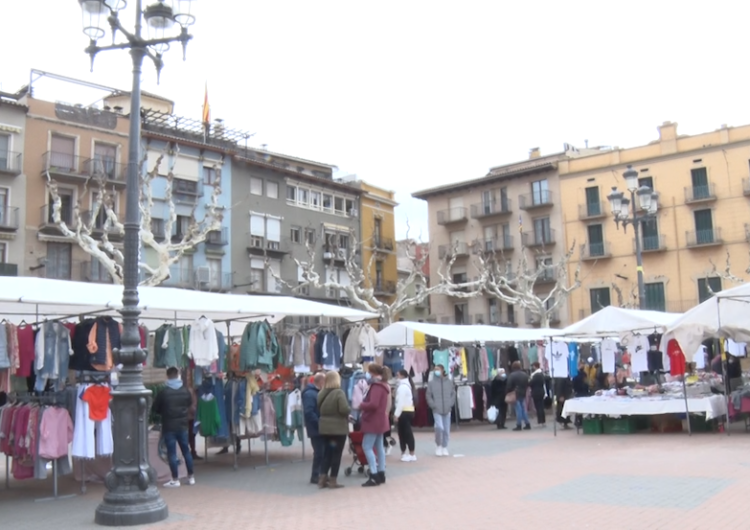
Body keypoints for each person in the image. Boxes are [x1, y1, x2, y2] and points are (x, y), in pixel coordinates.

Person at [152, 367, 195, 487]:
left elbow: (155, 409)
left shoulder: (163, 392)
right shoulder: (185, 391)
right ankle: (191, 477)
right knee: (186, 451)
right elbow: (189, 404)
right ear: (178, 375)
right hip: (183, 425)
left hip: (169, 426)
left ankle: (175, 479)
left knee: (172, 453)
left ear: (167, 376)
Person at [317, 371, 350, 489]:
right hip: (338, 429)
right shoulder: (339, 393)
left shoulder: (321, 393)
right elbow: (344, 409)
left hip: (324, 427)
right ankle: (333, 480)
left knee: (327, 453)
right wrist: (349, 410)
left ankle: (322, 479)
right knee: (336, 454)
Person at [359, 364, 390, 487]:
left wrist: (361, 405)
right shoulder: (383, 386)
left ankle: (374, 474)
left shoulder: (376, 387)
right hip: (380, 420)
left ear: (373, 373)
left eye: (369, 372)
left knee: (367, 447)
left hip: (373, 420)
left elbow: (373, 404)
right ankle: (381, 472)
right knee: (379, 447)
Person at [426, 364, 455, 456]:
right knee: (439, 427)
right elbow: (428, 395)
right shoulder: (431, 383)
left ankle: (444, 446)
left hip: (447, 409)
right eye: (435, 369)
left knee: (446, 429)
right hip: (436, 409)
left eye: (438, 369)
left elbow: (453, 394)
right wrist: (433, 405)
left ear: (443, 370)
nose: (436, 371)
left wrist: (450, 404)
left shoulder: (449, 382)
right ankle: (438, 445)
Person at [302, 372, 325, 485]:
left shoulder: (314, 393)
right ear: (321, 382)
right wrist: (319, 422)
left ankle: (319, 474)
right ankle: (315, 475)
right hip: (315, 428)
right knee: (319, 452)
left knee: (321, 452)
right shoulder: (310, 394)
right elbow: (309, 412)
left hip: (317, 427)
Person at [393, 369, 416, 462]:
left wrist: (396, 414)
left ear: (402, 376)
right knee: (403, 433)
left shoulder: (402, 387)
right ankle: (406, 452)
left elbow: (400, 402)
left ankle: (411, 453)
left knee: (405, 433)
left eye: (397, 375)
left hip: (404, 411)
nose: (396, 377)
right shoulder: (405, 385)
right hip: (407, 411)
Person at [506, 361, 531, 431]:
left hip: (515, 393)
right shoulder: (525, 374)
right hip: (523, 392)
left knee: (518, 409)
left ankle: (519, 424)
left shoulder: (512, 375)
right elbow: (528, 383)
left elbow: (509, 385)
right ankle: (527, 423)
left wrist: (508, 392)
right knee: (523, 408)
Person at [381, 366, 396, 455]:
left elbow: (389, 401)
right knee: (386, 431)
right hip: (387, 412)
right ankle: (387, 445)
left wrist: (386, 412)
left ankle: (387, 445)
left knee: (383, 431)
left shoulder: (386, 385)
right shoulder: (388, 385)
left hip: (384, 412)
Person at [529, 362, 547, 427]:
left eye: (533, 366)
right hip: (541, 391)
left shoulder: (535, 375)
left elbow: (530, 383)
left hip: (536, 392)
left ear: (535, 366)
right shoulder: (541, 374)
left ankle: (540, 421)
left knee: (538, 407)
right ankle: (543, 421)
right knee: (541, 407)